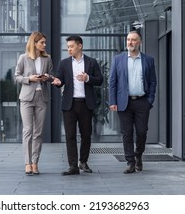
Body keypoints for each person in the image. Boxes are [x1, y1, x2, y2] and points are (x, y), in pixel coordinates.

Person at [52, 35, 103, 176]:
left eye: (71, 46)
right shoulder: (64, 63)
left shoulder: (91, 62)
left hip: (86, 104)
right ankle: (73, 166)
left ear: (80, 46)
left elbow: (100, 80)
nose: (69, 49)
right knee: (70, 136)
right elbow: (60, 80)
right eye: (68, 47)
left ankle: (83, 161)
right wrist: (57, 83)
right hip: (70, 104)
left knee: (86, 135)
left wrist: (87, 78)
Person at [108, 30, 157, 174]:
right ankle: (130, 161)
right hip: (124, 102)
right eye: (128, 39)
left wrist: (150, 100)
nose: (130, 42)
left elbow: (153, 82)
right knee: (127, 133)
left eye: (133, 40)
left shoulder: (148, 60)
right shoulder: (118, 59)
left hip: (142, 102)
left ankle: (138, 155)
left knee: (142, 132)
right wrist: (112, 101)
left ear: (139, 42)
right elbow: (112, 82)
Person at [14, 32, 54, 176]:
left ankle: (35, 163)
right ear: (34, 43)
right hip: (26, 98)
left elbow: (51, 76)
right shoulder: (23, 58)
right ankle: (27, 163)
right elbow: (17, 76)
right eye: (42, 42)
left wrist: (47, 77)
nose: (44, 45)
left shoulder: (47, 58)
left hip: (42, 97)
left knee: (38, 132)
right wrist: (29, 78)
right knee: (28, 130)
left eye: (44, 42)